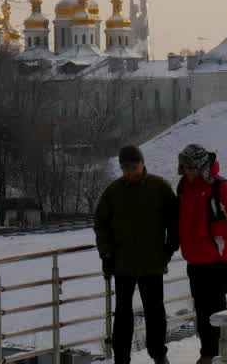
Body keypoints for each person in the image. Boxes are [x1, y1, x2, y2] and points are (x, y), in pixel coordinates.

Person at [94, 144, 179, 364]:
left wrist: (168, 250)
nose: (129, 171)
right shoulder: (113, 191)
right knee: (122, 315)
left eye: (133, 166)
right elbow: (100, 224)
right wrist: (106, 254)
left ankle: (158, 353)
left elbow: (175, 221)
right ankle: (121, 358)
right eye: (125, 167)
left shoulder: (159, 188)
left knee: (155, 313)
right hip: (122, 264)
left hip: (152, 263)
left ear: (142, 164)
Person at [176, 143, 227, 364]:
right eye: (184, 167)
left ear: (201, 166)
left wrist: (212, 230)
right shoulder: (183, 186)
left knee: (215, 307)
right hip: (195, 258)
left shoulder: (221, 187)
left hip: (217, 259)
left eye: (191, 167)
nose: (187, 171)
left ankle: (220, 353)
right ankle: (207, 353)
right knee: (201, 307)